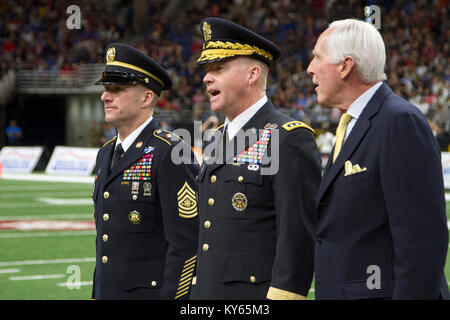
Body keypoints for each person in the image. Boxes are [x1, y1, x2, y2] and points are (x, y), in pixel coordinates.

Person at [307, 19, 449, 300]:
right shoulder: (352, 124)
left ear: (346, 66)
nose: (310, 68)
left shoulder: (399, 122)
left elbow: (421, 246)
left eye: (317, 57)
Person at [190, 17, 321, 300]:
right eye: (206, 70)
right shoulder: (218, 138)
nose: (206, 78)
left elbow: (297, 236)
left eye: (219, 68)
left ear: (251, 74)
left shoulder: (288, 137)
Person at [91, 43, 199, 300]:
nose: (105, 96)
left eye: (117, 89)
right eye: (106, 89)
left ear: (147, 97)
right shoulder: (105, 152)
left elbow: (186, 245)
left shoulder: (172, 152)